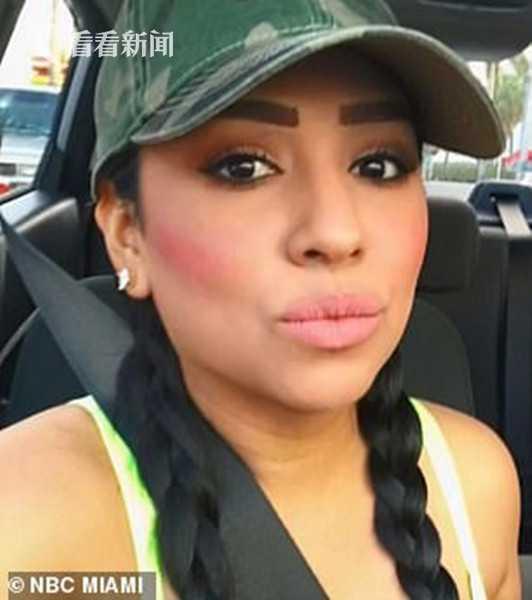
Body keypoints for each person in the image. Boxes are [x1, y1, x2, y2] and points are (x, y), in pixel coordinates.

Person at [0, 1, 521, 599]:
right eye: (243, 167)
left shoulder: (476, 487)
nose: (335, 233)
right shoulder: (26, 529)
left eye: (378, 166)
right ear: (127, 234)